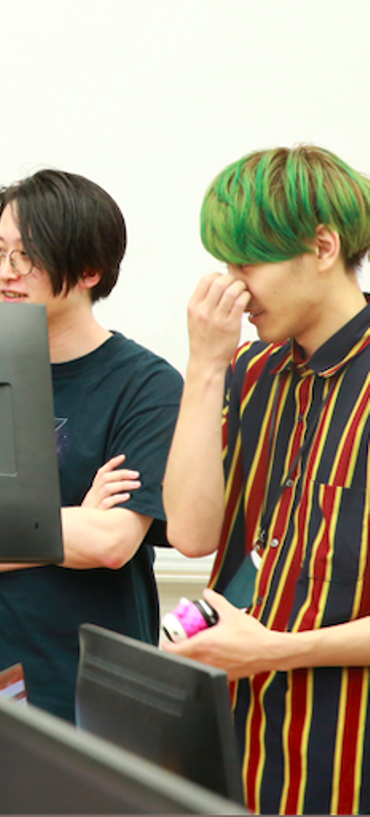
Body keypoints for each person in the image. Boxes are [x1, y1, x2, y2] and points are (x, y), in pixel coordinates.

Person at [0, 170, 183, 814]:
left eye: (27, 256)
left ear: (88, 269)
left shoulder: (146, 387)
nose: (5, 271)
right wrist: (69, 523)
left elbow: (110, 543)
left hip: (89, 710)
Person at [162, 145, 370, 815]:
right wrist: (204, 367)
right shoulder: (251, 372)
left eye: (247, 263)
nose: (234, 288)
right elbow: (191, 533)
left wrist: (280, 651)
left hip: (345, 761)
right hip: (241, 751)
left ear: (323, 247)